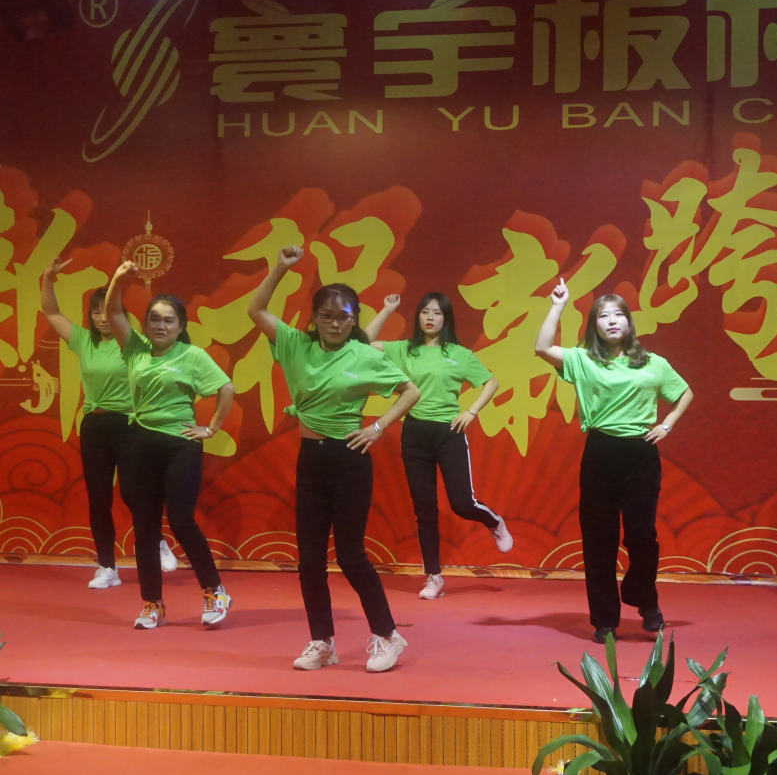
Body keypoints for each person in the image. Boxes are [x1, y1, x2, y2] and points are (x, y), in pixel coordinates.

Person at [248, 246, 421, 673]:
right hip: (310, 459)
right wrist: (281, 267)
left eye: (344, 316)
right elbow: (256, 310)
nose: (335, 323)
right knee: (309, 560)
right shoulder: (295, 345)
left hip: (349, 460)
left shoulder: (365, 355)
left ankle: (388, 636)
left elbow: (410, 391)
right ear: (314, 318)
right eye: (326, 315)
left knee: (350, 555)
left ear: (354, 319)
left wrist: (377, 427)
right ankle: (322, 642)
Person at [535, 280, 693, 643]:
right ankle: (605, 620)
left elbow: (685, 393)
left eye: (618, 314)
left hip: (640, 454)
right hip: (601, 453)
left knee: (642, 536)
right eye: (603, 316)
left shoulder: (653, 362)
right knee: (599, 539)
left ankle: (644, 598)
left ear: (628, 322)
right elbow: (542, 347)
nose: (611, 321)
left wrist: (667, 424)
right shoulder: (583, 359)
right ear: (594, 325)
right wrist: (558, 305)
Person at [105, 260, 237, 629]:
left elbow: (226, 388)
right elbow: (113, 311)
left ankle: (215, 591)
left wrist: (210, 429)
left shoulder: (192, 356)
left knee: (180, 519)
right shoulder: (135, 348)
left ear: (180, 327)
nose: (160, 326)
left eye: (168, 320)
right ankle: (153, 604)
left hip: (180, 446)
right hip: (139, 444)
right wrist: (119, 278)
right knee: (145, 526)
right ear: (146, 324)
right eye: (154, 319)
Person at [40, 257, 178, 588]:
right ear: (90, 316)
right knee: (98, 498)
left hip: (129, 425)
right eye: (96, 312)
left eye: (107, 311)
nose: (103, 318)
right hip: (95, 426)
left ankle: (158, 541)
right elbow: (52, 313)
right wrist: (47, 278)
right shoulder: (83, 341)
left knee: (133, 493)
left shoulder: (133, 342)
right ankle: (107, 567)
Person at [364, 292, 512, 600]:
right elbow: (362, 344)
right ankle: (433, 577)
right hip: (414, 433)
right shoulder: (405, 349)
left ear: (446, 319)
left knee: (462, 504)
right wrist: (387, 310)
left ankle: (493, 521)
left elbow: (492, 382)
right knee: (425, 510)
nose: (430, 317)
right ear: (418, 317)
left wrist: (471, 411)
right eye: (425, 312)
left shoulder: (459, 353)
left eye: (437, 313)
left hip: (448, 433)